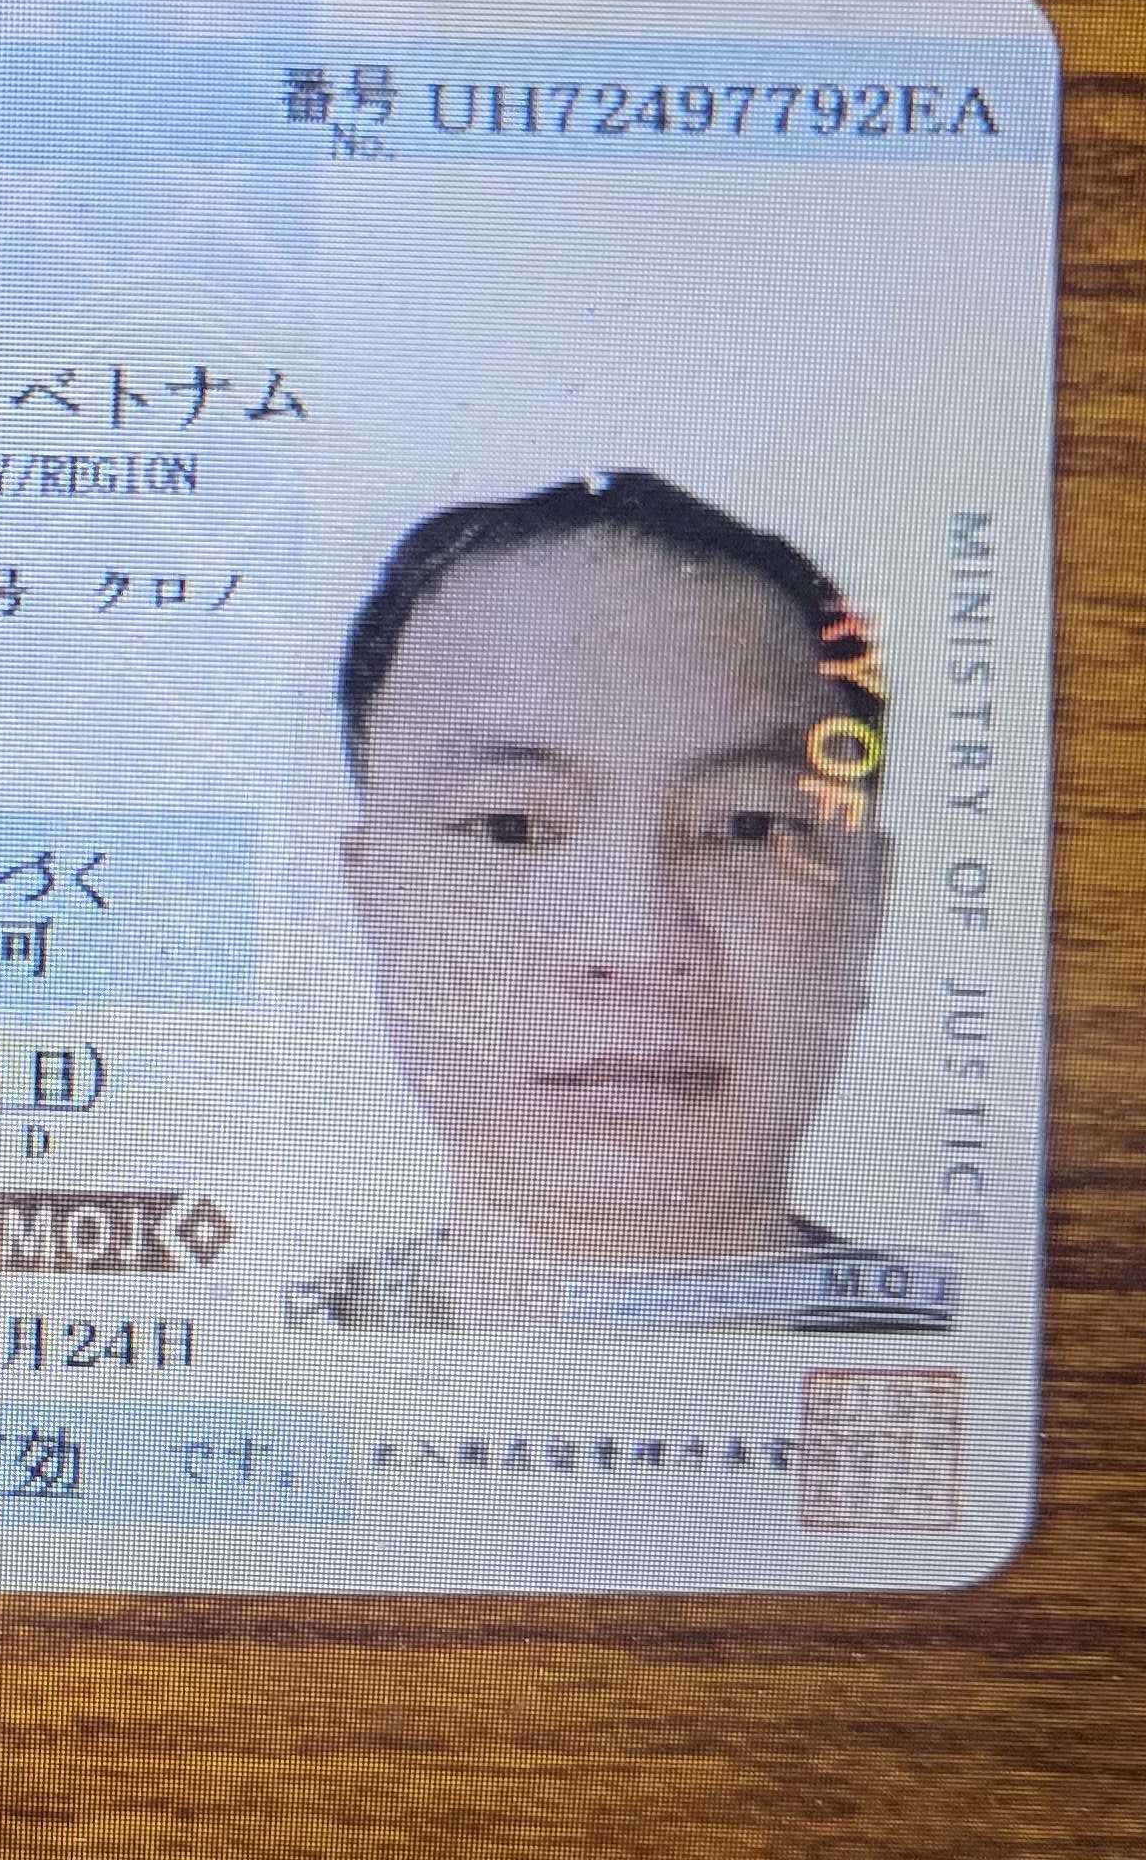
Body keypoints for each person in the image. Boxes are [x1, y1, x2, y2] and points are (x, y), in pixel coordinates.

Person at [293, 468, 934, 1336]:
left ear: (870, 898)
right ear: (371, 890)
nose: (637, 944)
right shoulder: (256, 1347)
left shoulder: (979, 1344)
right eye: (510, 827)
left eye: (747, 827)